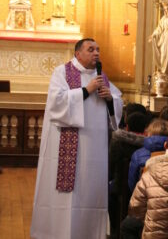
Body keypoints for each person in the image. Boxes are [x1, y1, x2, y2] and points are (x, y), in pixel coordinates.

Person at [30, 38, 123, 239]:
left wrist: (110, 99)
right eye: (91, 49)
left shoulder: (101, 77)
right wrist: (85, 91)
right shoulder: (62, 73)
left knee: (89, 193)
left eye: (98, 49)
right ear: (78, 53)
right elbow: (56, 103)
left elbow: (117, 102)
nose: (96, 53)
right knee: (64, 199)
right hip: (66, 149)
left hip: (94, 150)